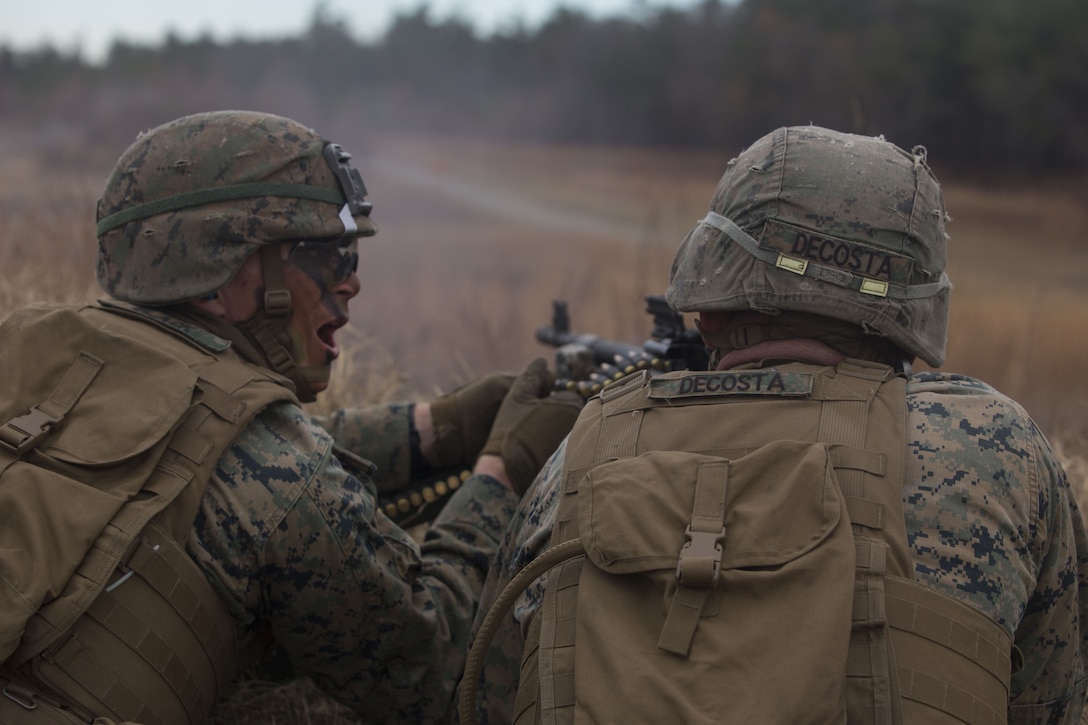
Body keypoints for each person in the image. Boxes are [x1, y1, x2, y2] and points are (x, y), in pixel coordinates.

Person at [457, 126, 1088, 724]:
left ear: (706, 308)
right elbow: (1055, 702)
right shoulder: (994, 448)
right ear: (915, 320)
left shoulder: (579, 456)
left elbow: (487, 697)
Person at [0, 110, 582, 725]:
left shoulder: (28, 347)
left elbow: (191, 458)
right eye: (330, 258)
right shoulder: (279, 471)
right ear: (217, 274)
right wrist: (500, 475)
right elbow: (432, 672)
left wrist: (433, 429)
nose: (351, 285)